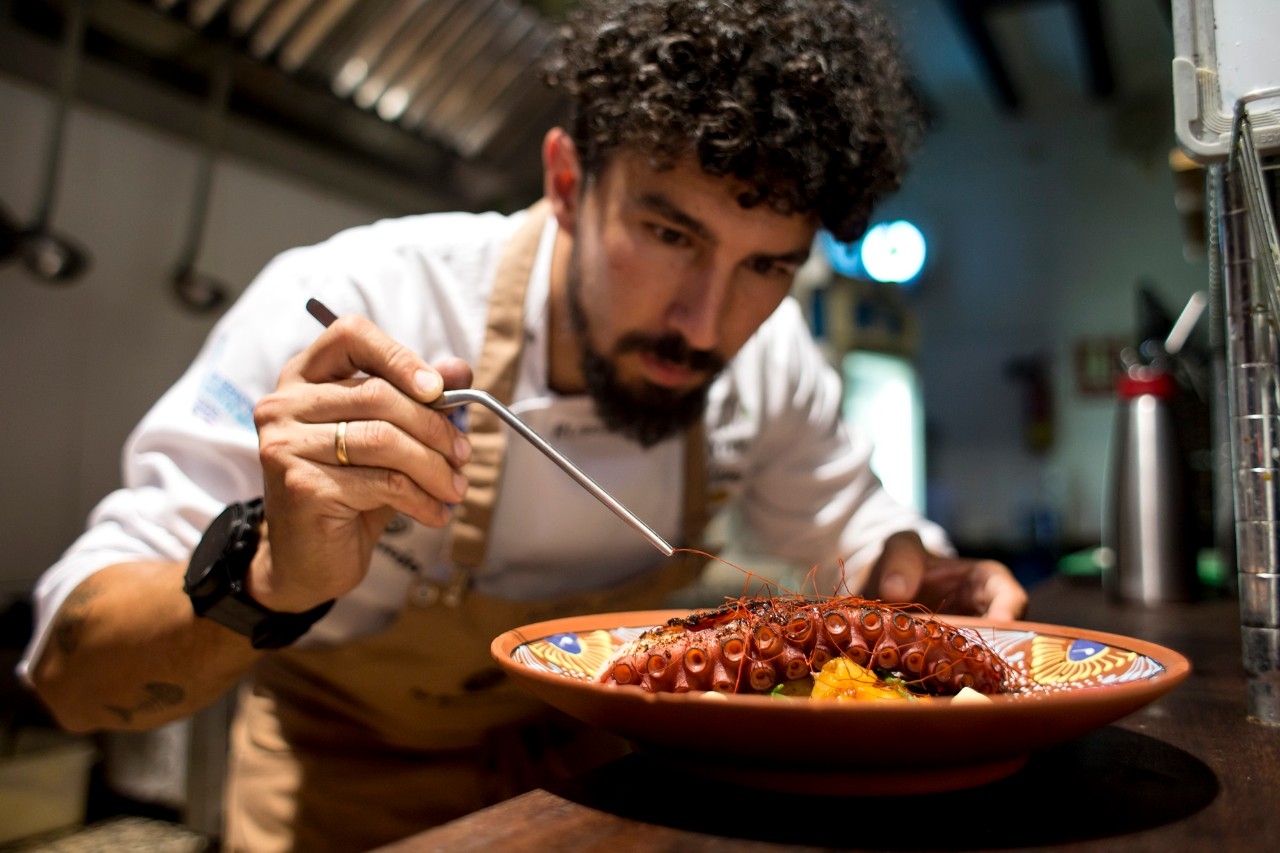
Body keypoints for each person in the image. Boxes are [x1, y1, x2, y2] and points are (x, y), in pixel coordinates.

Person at [20, 0, 1026, 849]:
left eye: (766, 265)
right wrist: (266, 575)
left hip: (604, 804)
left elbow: (855, 533)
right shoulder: (366, 300)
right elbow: (71, 680)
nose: (705, 323)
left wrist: (914, 574)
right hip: (347, 809)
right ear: (565, 183)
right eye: (668, 233)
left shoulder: (765, 365)